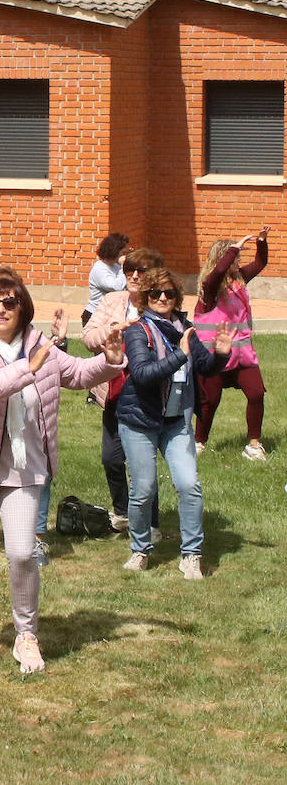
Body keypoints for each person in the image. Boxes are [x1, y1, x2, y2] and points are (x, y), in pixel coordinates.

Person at [0, 268, 123, 673]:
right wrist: (27, 367)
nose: (1, 309)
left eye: (10, 302)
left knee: (23, 553)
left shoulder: (39, 345)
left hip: (24, 466)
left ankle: (26, 636)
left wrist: (110, 362)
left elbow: (75, 373)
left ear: (23, 307)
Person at [116, 267, 230, 581]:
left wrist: (220, 354)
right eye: (156, 293)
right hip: (139, 420)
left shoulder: (186, 328)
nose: (163, 298)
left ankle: (191, 555)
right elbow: (141, 374)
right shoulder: (137, 330)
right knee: (144, 490)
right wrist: (180, 355)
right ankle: (140, 549)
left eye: (169, 293)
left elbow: (204, 365)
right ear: (145, 298)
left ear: (177, 296)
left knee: (189, 485)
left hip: (176, 420)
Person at [82, 248, 166, 532]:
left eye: (141, 271)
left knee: (143, 465)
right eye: (129, 270)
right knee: (112, 458)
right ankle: (122, 511)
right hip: (114, 394)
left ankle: (151, 523)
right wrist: (114, 329)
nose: (133, 276)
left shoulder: (159, 306)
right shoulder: (112, 301)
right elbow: (88, 337)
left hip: (146, 395)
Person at [193, 227, 269, 460]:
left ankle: (254, 445)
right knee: (209, 402)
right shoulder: (209, 289)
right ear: (223, 258)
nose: (239, 261)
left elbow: (260, 263)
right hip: (214, 356)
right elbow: (218, 273)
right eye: (236, 257)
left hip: (243, 354)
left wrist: (261, 242)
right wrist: (232, 249)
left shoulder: (239, 281)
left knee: (256, 393)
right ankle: (198, 443)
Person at [84, 232, 129, 326]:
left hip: (111, 314)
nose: (125, 255)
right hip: (95, 315)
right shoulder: (99, 269)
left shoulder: (116, 266)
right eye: (123, 253)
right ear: (115, 251)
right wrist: (123, 267)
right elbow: (117, 287)